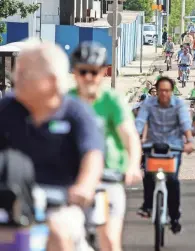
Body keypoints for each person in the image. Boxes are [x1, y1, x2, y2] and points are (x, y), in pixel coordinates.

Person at [0, 38, 105, 251]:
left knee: (58, 232)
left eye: (23, 73)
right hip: (10, 202)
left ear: (51, 80)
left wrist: (84, 186)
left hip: (61, 203)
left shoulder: (77, 112)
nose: (14, 77)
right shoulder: (7, 108)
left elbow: (92, 154)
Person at [70, 41, 142, 251]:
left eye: (94, 72)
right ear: (75, 72)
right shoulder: (66, 101)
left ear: (103, 72)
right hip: (72, 183)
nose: (89, 78)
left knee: (109, 239)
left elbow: (129, 136)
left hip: (107, 179)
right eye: (83, 72)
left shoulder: (112, 101)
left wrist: (132, 165)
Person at [135, 76, 194, 234]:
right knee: (148, 175)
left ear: (172, 91)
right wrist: (135, 138)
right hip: (152, 145)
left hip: (174, 147)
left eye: (167, 91)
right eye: (161, 90)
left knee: (173, 180)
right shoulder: (148, 103)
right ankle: (147, 206)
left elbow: (185, 123)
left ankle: (174, 217)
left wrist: (188, 141)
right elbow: (140, 122)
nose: (163, 94)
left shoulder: (179, 104)